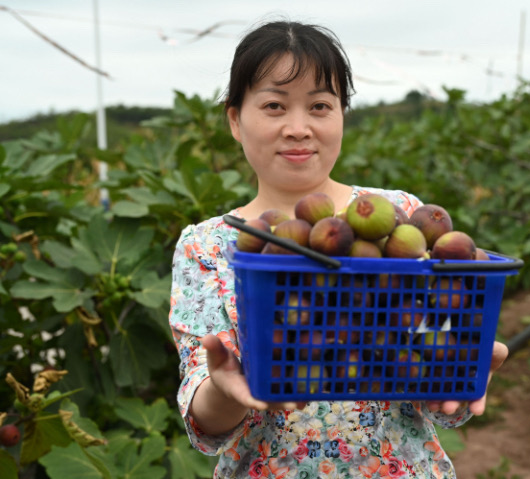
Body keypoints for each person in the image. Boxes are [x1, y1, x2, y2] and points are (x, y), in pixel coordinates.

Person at [169, 19, 509, 479]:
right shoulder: (209, 246)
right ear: (235, 119)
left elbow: (438, 379)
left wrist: (460, 372)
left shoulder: (399, 218)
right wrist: (227, 391)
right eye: (273, 105)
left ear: (342, 115)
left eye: (320, 106)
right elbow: (205, 420)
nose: (298, 128)